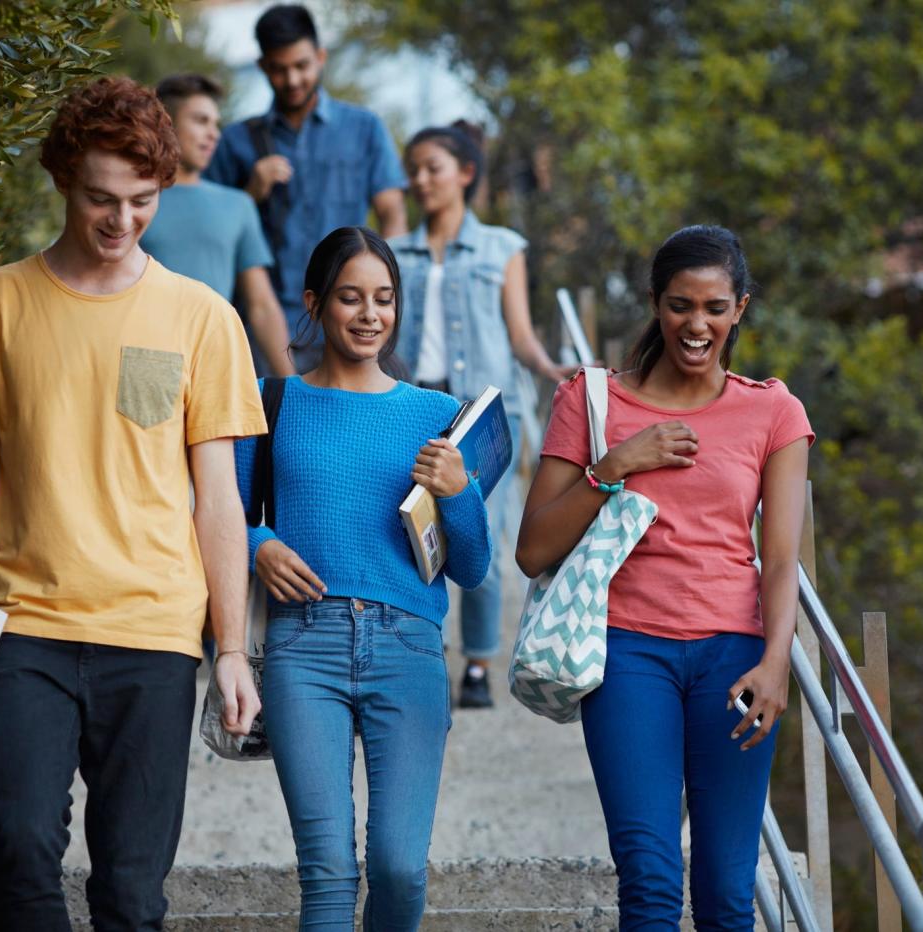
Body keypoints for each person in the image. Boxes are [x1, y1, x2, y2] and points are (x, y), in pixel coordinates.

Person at [0, 76, 266, 932]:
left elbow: (217, 497)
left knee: (131, 893)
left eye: (142, 202)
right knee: (24, 852)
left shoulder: (202, 318)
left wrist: (231, 646)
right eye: (100, 200)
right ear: (63, 182)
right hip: (22, 628)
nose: (120, 222)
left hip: (152, 633)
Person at [516, 225, 813, 930]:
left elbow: (780, 559)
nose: (697, 324)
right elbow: (531, 549)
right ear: (655, 303)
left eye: (715, 308)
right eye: (681, 305)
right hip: (626, 654)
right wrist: (615, 464)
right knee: (649, 877)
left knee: (725, 889)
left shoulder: (774, 411)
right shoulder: (591, 402)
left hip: (735, 659)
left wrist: (776, 664)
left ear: (740, 309)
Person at [235, 226, 491, 929]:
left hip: (407, 649)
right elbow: (219, 512)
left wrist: (461, 489)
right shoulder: (271, 403)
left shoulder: (437, 417)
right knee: (326, 875)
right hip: (302, 648)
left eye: (384, 298)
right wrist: (258, 543)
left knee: (400, 870)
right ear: (316, 304)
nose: (370, 314)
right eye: (351, 298)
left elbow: (472, 567)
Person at [390, 123, 575, 708]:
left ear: (465, 173)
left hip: (483, 415)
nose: (421, 180)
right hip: (415, 406)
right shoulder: (396, 252)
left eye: (433, 168)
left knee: (484, 535)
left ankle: (476, 663)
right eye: (414, 169)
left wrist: (549, 368)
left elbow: (519, 334)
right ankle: (424, 653)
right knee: (414, 531)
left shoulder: (503, 248)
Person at [205, 4, 408, 371]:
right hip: (266, 331)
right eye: (280, 70)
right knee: (275, 426)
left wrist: (379, 295)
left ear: (320, 57)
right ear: (263, 67)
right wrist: (250, 192)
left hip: (348, 322)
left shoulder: (364, 128)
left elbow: (393, 214)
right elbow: (212, 236)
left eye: (302, 66)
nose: (293, 79)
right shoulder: (236, 142)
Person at [141, 73, 294, 376]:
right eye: (200, 121)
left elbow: (262, 304)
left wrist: (294, 386)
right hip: (144, 365)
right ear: (166, 123)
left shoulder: (238, 205)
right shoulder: (133, 200)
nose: (214, 134)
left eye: (215, 124)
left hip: (215, 369)